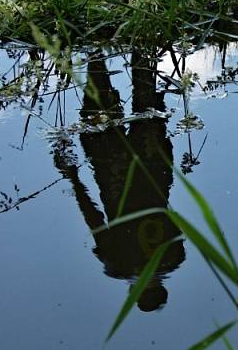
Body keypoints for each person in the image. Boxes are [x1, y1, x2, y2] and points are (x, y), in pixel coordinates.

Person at [54, 51, 184, 312]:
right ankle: (95, 49)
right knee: (99, 104)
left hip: (153, 170)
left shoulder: (174, 259)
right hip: (115, 176)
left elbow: (172, 218)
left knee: (145, 98)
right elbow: (94, 218)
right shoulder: (118, 265)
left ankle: (140, 36)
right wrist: (74, 178)